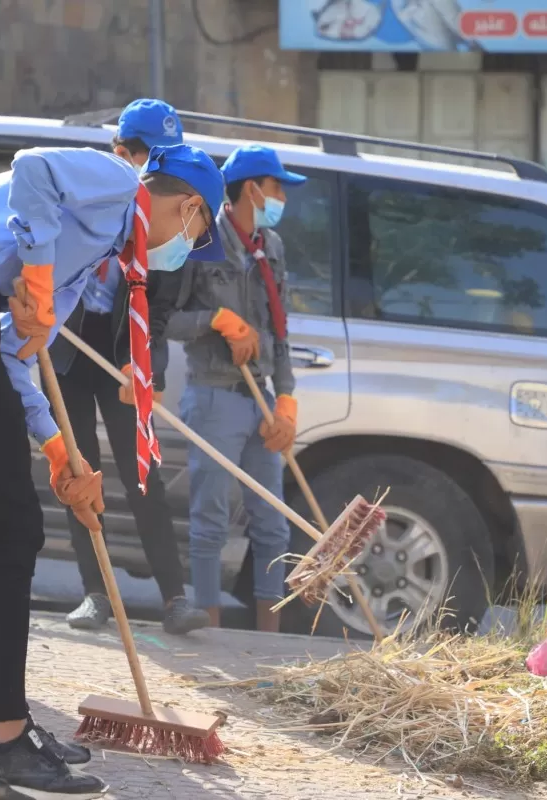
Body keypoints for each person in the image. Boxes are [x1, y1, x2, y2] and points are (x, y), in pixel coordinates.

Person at [0, 143, 226, 798]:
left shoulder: (87, 257)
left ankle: (5, 725)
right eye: (194, 236)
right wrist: (34, 277)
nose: (181, 250)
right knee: (11, 533)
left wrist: (60, 450)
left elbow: (13, 353)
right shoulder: (118, 183)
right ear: (191, 206)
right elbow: (32, 166)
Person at [45, 99, 209, 636]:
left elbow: (157, 312)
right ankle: (96, 592)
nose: (151, 170)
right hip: (70, 343)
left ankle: (174, 598)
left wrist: (144, 371)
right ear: (121, 152)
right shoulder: (90, 198)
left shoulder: (165, 219)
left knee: (145, 474)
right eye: (144, 156)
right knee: (79, 468)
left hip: (123, 351)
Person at [167, 145, 304, 633]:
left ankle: (271, 642)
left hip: (259, 397)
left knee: (273, 525)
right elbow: (168, 320)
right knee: (211, 521)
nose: (282, 196)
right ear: (252, 189)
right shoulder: (201, 240)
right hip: (213, 395)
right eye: (277, 186)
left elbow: (281, 327)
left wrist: (286, 398)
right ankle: (210, 632)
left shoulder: (273, 246)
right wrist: (219, 320)